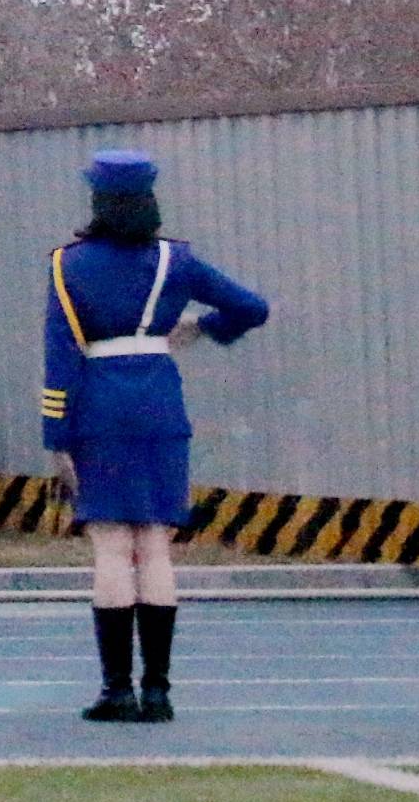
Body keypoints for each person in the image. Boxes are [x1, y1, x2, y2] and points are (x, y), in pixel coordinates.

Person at [44, 149, 270, 722]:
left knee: (113, 547)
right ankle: (160, 692)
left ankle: (117, 690)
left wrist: (56, 436)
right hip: (160, 404)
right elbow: (252, 308)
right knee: (156, 545)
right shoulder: (178, 260)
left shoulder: (67, 266)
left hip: (99, 406)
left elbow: (60, 356)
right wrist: (199, 327)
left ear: (96, 198)